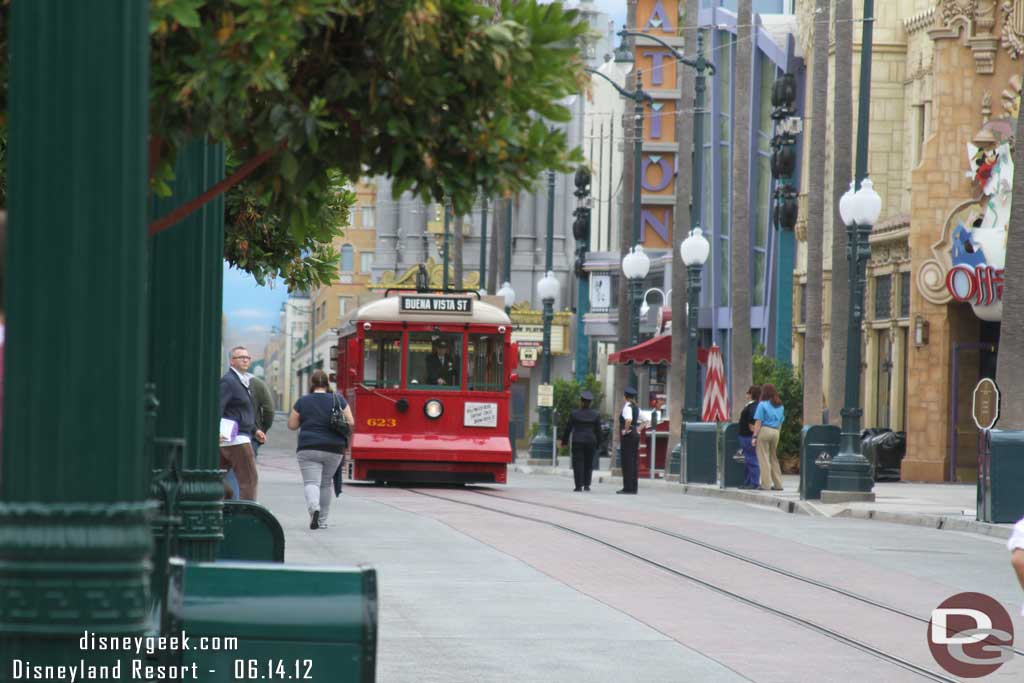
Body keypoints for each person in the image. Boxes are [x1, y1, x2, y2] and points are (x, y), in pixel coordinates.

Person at [288, 369, 353, 530]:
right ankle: (322, 520)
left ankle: (313, 508)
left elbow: (292, 425)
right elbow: (350, 421)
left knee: (311, 482)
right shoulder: (338, 399)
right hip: (334, 447)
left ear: (312, 383)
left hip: (308, 446)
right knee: (325, 483)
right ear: (327, 383)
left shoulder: (303, 401)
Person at [219, 346, 264, 500]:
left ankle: (224, 505)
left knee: (217, 477)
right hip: (237, 439)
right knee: (249, 480)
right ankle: (247, 515)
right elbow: (218, 407)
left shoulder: (241, 381)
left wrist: (255, 430)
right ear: (232, 361)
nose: (245, 360)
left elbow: (243, 411)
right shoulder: (229, 381)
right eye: (240, 357)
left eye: (247, 357)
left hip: (238, 436)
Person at [562, 390, 602, 492]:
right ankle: (587, 485)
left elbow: (568, 428)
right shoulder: (595, 414)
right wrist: (599, 443)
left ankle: (578, 486)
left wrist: (564, 442)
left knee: (578, 463)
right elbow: (598, 431)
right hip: (591, 441)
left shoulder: (574, 414)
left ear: (581, 401)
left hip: (578, 441)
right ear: (590, 402)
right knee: (589, 463)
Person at [752, 383, 785, 491]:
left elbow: (758, 421)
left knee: (763, 458)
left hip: (765, 430)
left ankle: (765, 484)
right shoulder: (780, 405)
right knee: (773, 457)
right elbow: (781, 422)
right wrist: (778, 433)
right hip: (776, 432)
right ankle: (778, 484)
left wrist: (755, 436)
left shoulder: (762, 404)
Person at [737, 385, 761, 489]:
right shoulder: (752, 405)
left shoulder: (753, 406)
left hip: (747, 435)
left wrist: (753, 432)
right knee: (747, 459)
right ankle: (747, 481)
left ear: (751, 394)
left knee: (751, 459)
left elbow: (753, 420)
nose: (746, 394)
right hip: (744, 435)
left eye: (748, 392)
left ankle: (754, 482)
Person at [617, 387, 640, 495]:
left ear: (625, 397)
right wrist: (638, 429)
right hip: (635, 435)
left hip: (628, 436)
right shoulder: (636, 407)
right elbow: (647, 420)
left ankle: (628, 488)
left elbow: (628, 419)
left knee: (627, 461)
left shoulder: (627, 407)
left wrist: (626, 430)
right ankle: (634, 487)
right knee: (633, 461)